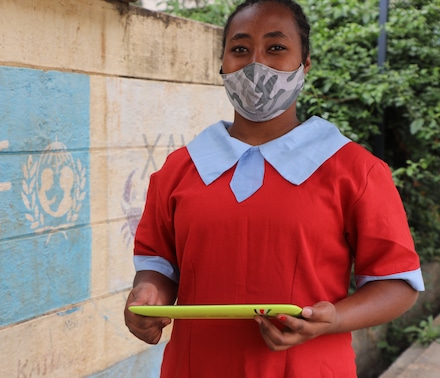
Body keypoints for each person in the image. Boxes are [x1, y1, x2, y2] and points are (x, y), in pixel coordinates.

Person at [123, 0, 425, 377]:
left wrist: (332, 319)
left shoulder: (355, 170)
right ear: (222, 63)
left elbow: (396, 284)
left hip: (310, 368)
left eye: (276, 47)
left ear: (306, 64)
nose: (255, 63)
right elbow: (158, 267)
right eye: (240, 48)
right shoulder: (179, 170)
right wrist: (149, 297)